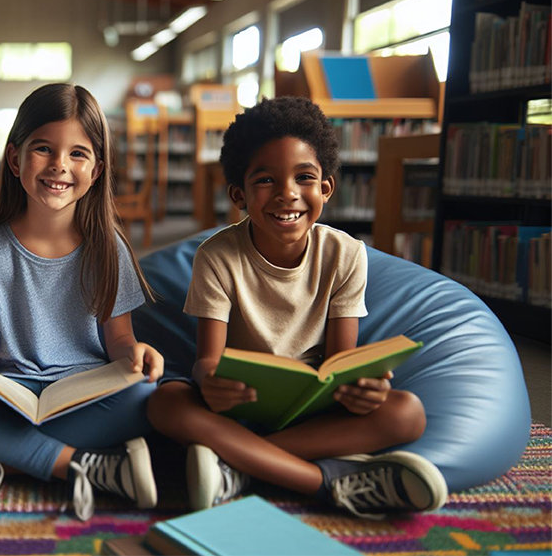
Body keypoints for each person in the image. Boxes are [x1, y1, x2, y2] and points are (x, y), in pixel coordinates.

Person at [147, 96, 448, 519]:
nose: (288, 194)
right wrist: (210, 379)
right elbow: (206, 362)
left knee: (406, 413)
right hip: (238, 405)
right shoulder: (216, 256)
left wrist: (364, 388)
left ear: (326, 187)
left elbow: (342, 362)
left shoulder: (346, 254)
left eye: (304, 178)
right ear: (240, 194)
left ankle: (237, 468)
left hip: (312, 410)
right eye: (266, 180)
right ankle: (325, 483)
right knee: (165, 402)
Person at [0, 83, 164, 521]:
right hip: (10, 395)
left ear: (97, 170)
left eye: (78, 154)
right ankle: (81, 465)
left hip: (86, 396)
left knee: (154, 395)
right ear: (15, 158)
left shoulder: (108, 248)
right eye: (43, 149)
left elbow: (120, 340)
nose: (60, 165)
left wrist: (134, 355)